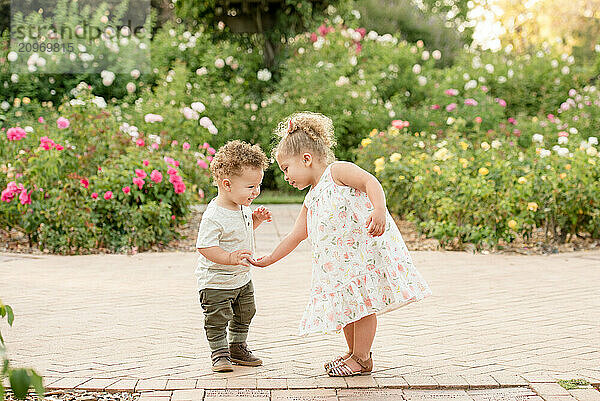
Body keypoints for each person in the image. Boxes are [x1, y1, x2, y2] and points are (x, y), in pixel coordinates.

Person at [251, 112, 432, 377]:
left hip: (362, 261)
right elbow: (294, 236)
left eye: (286, 169)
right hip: (339, 272)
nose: (286, 177)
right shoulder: (311, 199)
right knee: (347, 311)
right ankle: (354, 353)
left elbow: (371, 182)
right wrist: (268, 259)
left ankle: (362, 357)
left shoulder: (338, 172)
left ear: (306, 158)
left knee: (363, 307)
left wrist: (379, 210)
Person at [195, 140, 272, 372]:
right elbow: (205, 247)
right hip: (216, 282)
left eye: (258, 185)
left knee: (246, 311)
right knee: (218, 318)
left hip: (241, 279)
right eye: (250, 187)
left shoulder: (241, 207)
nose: (256, 192)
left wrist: (256, 221)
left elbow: (240, 233)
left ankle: (237, 347)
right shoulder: (214, 216)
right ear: (227, 184)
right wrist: (229, 258)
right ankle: (219, 353)